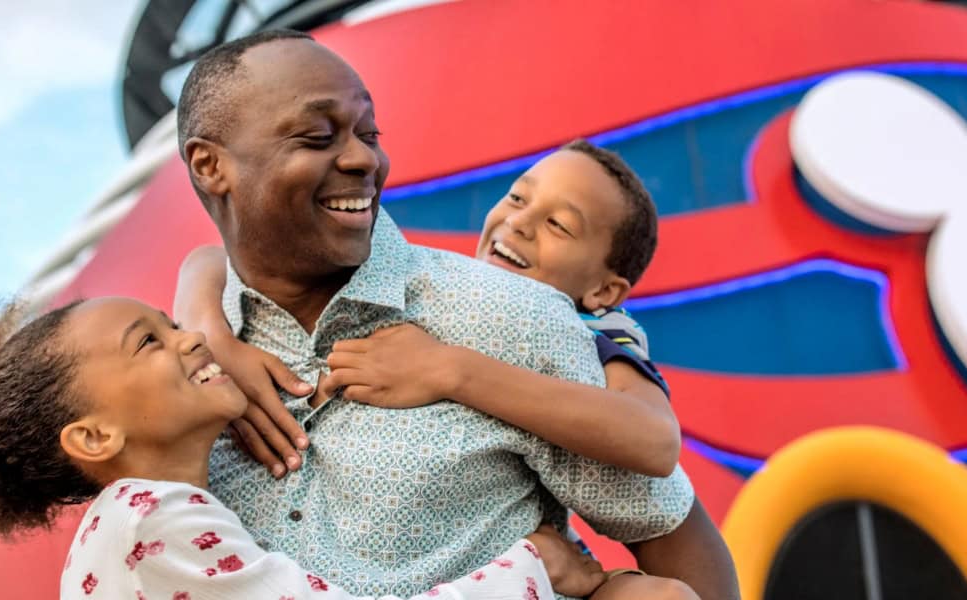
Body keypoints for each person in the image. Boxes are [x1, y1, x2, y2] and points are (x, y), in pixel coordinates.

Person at [169, 29, 718, 600]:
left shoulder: (521, 322)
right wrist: (208, 329)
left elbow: (663, 491)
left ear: (607, 290)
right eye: (317, 135)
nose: (363, 157)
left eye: (369, 132)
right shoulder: (177, 356)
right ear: (209, 166)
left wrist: (453, 371)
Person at [0, 298, 607, 599]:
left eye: (171, 324)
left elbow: (207, 265)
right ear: (96, 436)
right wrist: (533, 570)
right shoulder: (147, 519)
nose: (191, 338)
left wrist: (200, 295)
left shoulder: (130, 526)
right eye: (149, 342)